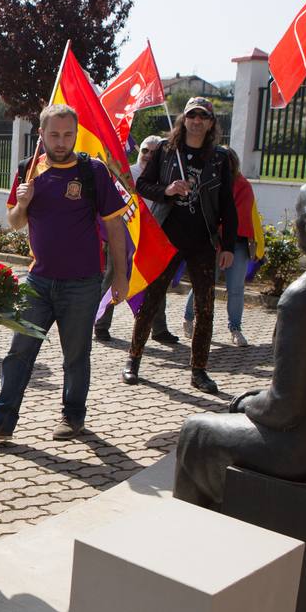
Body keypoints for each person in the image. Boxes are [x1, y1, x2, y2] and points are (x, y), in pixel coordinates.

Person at [175, 176, 306, 508]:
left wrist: (245, 402)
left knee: (196, 431)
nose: (296, 224)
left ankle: (194, 536)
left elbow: (284, 408)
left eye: (298, 216)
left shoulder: (305, 295)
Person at [0, 104, 129, 442]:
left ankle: (73, 417)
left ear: (75, 133)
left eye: (67, 134)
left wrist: (121, 275)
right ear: (41, 134)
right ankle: (2, 421)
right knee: (19, 353)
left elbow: (114, 226)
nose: (61, 141)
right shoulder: (29, 169)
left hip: (82, 282)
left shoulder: (93, 171)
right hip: (38, 281)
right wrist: (23, 204)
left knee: (76, 357)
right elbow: (15, 222)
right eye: (54, 134)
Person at [123, 98, 236, 394]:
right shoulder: (165, 150)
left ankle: (199, 370)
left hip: (203, 242)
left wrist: (228, 245)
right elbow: (142, 185)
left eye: (203, 116)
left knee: (206, 308)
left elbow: (227, 203)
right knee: (151, 301)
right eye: (191, 115)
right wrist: (168, 190)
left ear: (211, 123)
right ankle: (133, 359)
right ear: (183, 120)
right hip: (168, 238)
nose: (197, 121)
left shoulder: (220, 158)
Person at [95, 135, 174, 344]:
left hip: (152, 235)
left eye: (153, 152)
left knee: (156, 278)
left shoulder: (163, 176)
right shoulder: (125, 173)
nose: (148, 155)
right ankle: (101, 324)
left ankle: (159, 329)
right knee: (113, 276)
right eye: (145, 150)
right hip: (124, 233)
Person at [182, 147, 260, 347]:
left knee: (236, 289)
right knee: (204, 284)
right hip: (211, 241)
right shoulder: (208, 182)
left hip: (238, 243)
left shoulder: (243, 185)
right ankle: (189, 318)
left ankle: (235, 329)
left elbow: (241, 216)